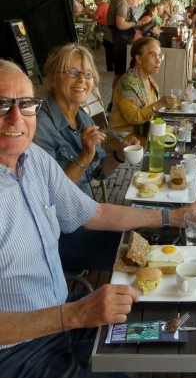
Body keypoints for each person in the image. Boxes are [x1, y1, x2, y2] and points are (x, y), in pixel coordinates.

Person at [0, 59, 196, 378]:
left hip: (60, 312)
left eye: (25, 104)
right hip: (17, 353)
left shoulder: (34, 159)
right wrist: (75, 315)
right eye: (3, 104)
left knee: (163, 325)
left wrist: (173, 217)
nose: (16, 117)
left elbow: (95, 214)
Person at [32, 43, 135, 272]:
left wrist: (119, 154)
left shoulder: (82, 117)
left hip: (87, 215)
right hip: (59, 235)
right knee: (134, 253)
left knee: (145, 236)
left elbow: (96, 174)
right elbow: (48, 199)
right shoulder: (39, 126)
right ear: (52, 77)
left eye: (87, 74)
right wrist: (84, 155)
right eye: (72, 72)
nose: (82, 79)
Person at [108, 37, 176, 146]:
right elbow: (134, 117)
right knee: (163, 146)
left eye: (160, 56)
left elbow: (152, 113)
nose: (158, 60)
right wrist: (160, 104)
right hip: (123, 139)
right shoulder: (127, 83)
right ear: (139, 59)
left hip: (143, 135)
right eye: (153, 55)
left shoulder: (151, 82)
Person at [106, 0, 145, 111]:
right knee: (120, 73)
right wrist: (137, 23)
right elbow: (120, 24)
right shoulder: (122, 1)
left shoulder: (121, 0)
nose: (137, 5)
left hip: (117, 40)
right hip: (116, 41)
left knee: (120, 73)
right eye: (137, 2)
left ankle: (115, 102)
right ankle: (114, 103)